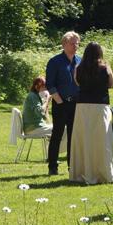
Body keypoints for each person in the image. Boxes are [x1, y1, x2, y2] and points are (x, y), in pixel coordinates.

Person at [69, 42, 113, 184]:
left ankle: (83, 171)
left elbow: (77, 83)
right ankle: (102, 172)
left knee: (84, 138)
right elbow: (111, 83)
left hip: (83, 106)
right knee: (101, 140)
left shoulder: (79, 68)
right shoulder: (105, 67)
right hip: (100, 106)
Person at [45, 31, 81, 176]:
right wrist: (59, 100)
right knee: (57, 135)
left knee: (74, 136)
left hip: (76, 104)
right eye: (73, 43)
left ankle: (72, 166)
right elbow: (50, 84)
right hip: (61, 103)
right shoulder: (55, 62)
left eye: (77, 43)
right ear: (64, 44)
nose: (75, 46)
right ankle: (52, 166)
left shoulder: (80, 61)